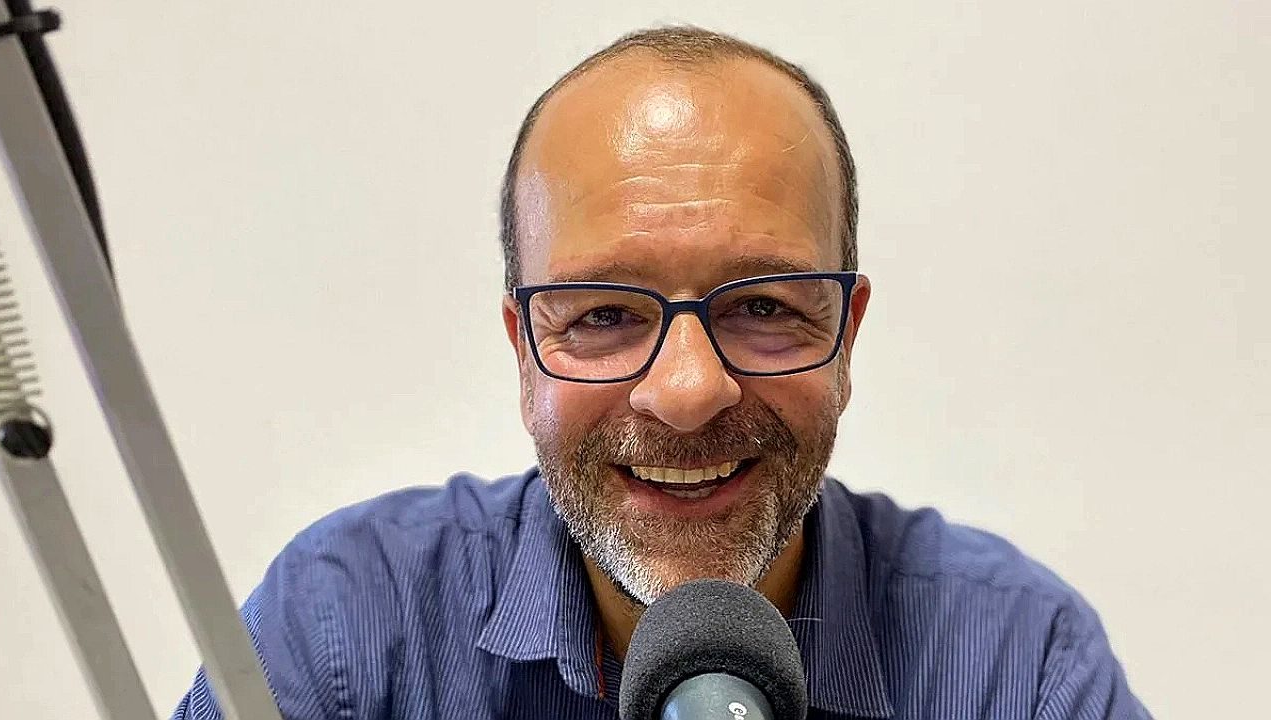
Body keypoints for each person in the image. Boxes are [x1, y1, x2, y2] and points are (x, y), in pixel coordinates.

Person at [172, 26, 1152, 720]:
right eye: (603, 314)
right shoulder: (347, 628)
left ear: (844, 336)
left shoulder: (1014, 664)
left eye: (762, 305)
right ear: (524, 354)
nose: (685, 392)